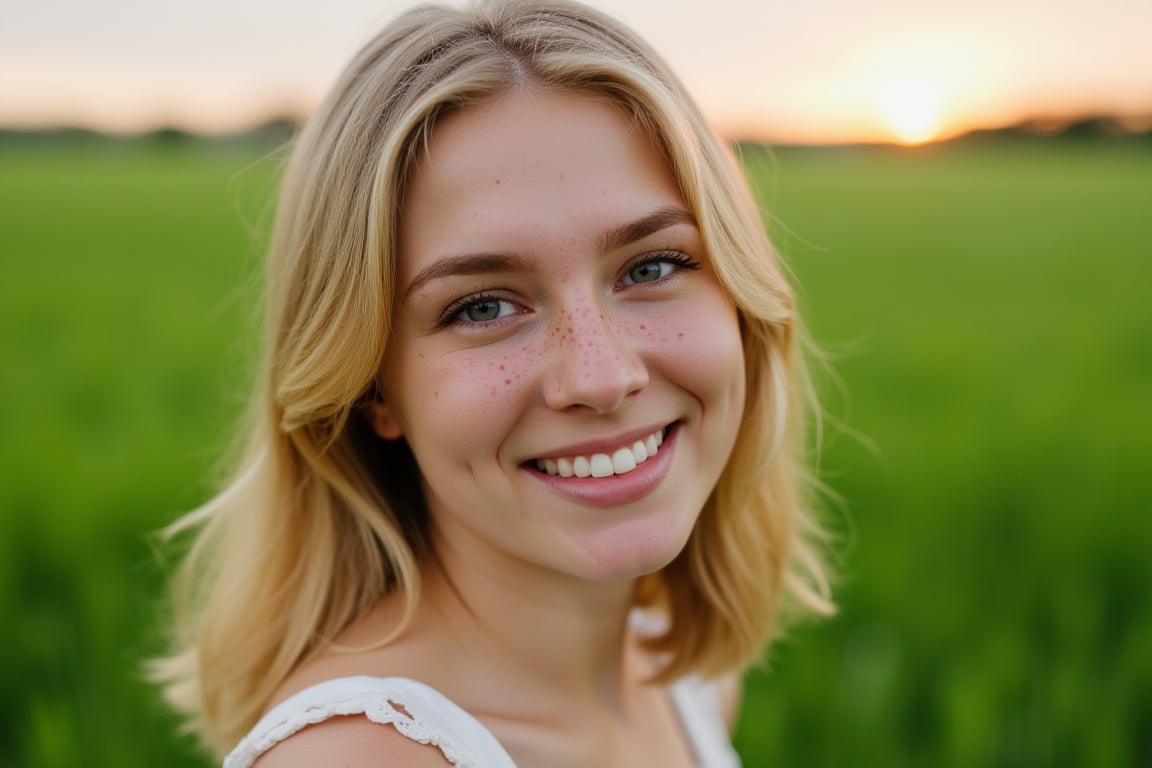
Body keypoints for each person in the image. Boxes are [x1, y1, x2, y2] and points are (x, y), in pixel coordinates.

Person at [153, 1, 835, 765]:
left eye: (652, 267)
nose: (602, 377)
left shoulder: (685, 681)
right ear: (372, 391)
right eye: (482, 307)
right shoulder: (362, 758)